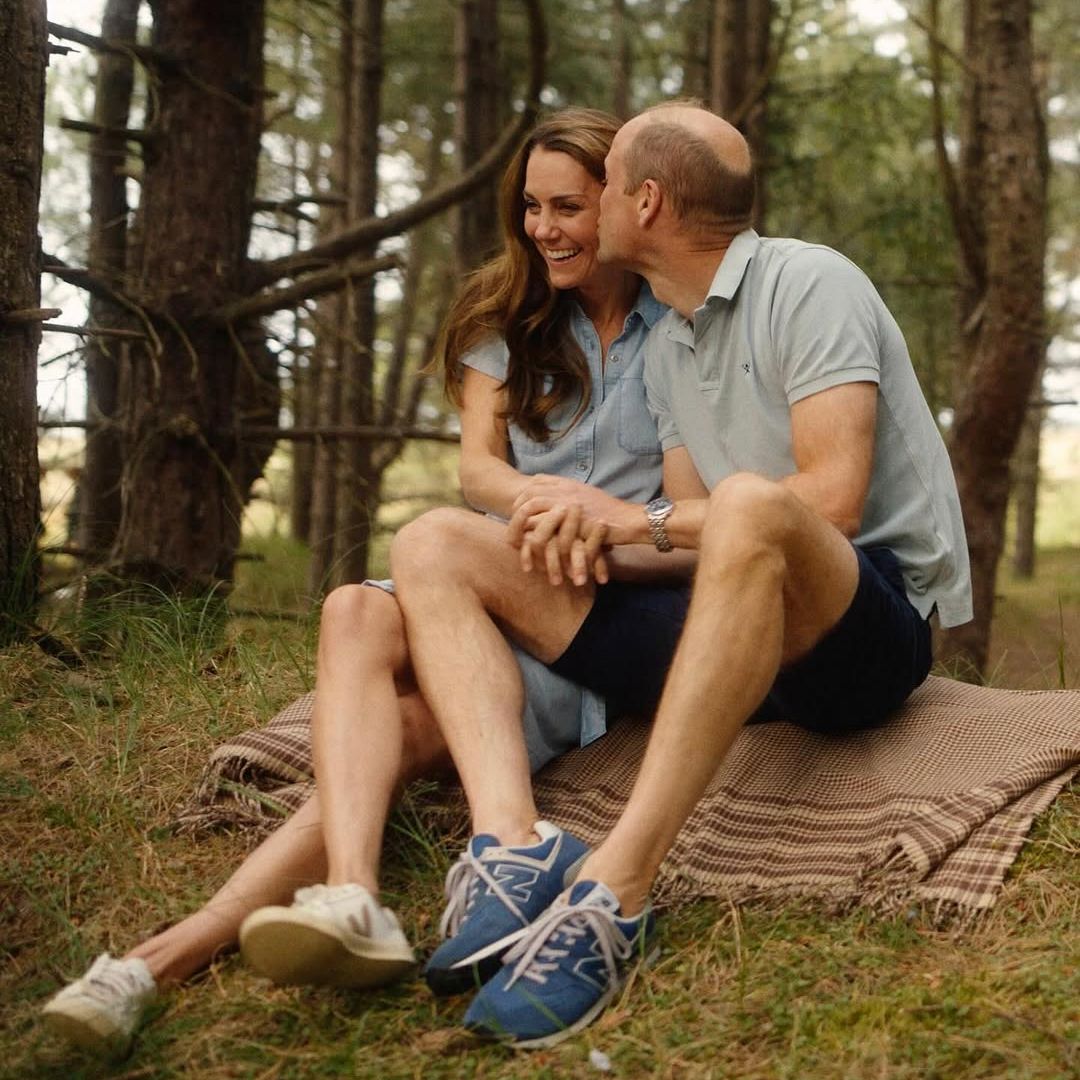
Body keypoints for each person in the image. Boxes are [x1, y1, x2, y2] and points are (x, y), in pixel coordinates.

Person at [40, 107, 699, 1055]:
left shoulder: (675, 330)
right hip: (469, 582)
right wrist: (547, 505)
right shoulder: (506, 322)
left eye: (568, 207)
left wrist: (593, 533)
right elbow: (479, 472)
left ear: (623, 206)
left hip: (581, 617)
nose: (544, 229)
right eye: (530, 208)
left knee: (385, 734)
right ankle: (353, 895)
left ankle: (163, 958)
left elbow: (681, 515)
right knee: (352, 604)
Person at [388, 101, 972, 1048]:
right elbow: (681, 537)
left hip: (857, 629)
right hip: (726, 628)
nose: (578, 209)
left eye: (605, 185)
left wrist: (636, 519)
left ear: (645, 202)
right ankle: (515, 845)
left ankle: (615, 894)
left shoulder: (809, 283)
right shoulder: (670, 342)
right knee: (437, 542)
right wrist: (581, 535)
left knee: (750, 503)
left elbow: (830, 499)